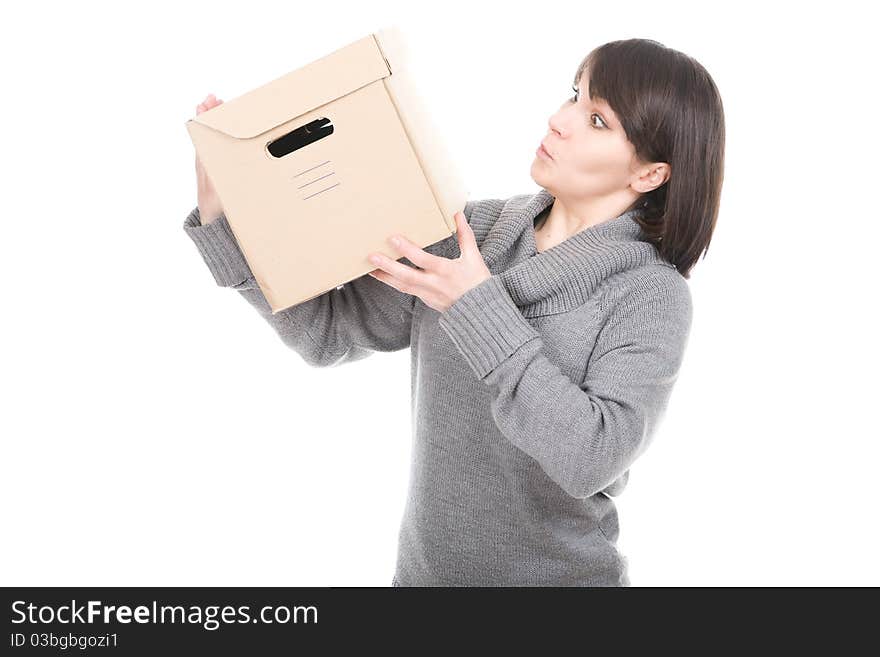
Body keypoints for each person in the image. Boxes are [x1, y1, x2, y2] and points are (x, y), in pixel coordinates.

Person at [183, 37, 724, 586]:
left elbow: (590, 458)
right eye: (573, 95)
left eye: (598, 121)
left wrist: (475, 306)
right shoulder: (472, 233)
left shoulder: (650, 295)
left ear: (650, 175)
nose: (560, 120)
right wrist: (228, 219)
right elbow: (327, 331)